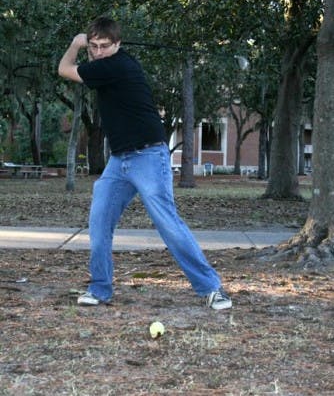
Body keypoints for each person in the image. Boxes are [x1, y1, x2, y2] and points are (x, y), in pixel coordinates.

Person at [58, 16, 232, 310]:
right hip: (119, 161)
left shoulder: (116, 66)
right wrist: (86, 47)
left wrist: (77, 44)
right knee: (99, 222)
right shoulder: (104, 65)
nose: (99, 51)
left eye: (104, 46)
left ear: (118, 44)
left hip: (148, 157)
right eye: (94, 46)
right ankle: (100, 289)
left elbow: (64, 69)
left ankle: (212, 288)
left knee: (168, 223)